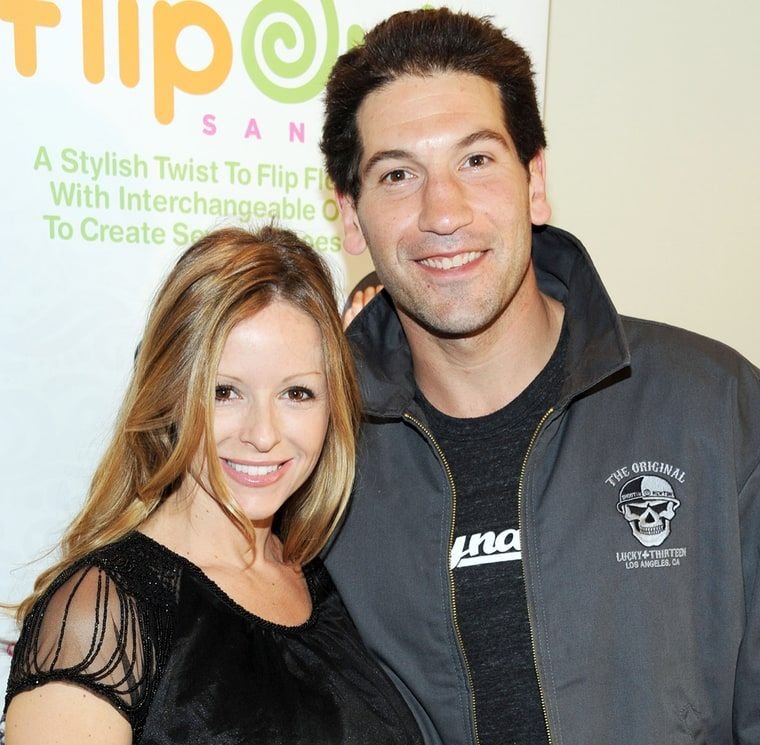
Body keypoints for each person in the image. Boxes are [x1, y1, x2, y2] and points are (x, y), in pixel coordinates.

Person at [319, 8, 760, 745]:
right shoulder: (320, 457)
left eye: (476, 160)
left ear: (535, 182)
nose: (443, 212)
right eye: (397, 174)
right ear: (351, 218)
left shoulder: (717, 407)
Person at [2, 226, 424, 745]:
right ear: (170, 394)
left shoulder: (332, 581)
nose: (263, 434)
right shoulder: (103, 614)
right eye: (224, 392)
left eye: (297, 393)